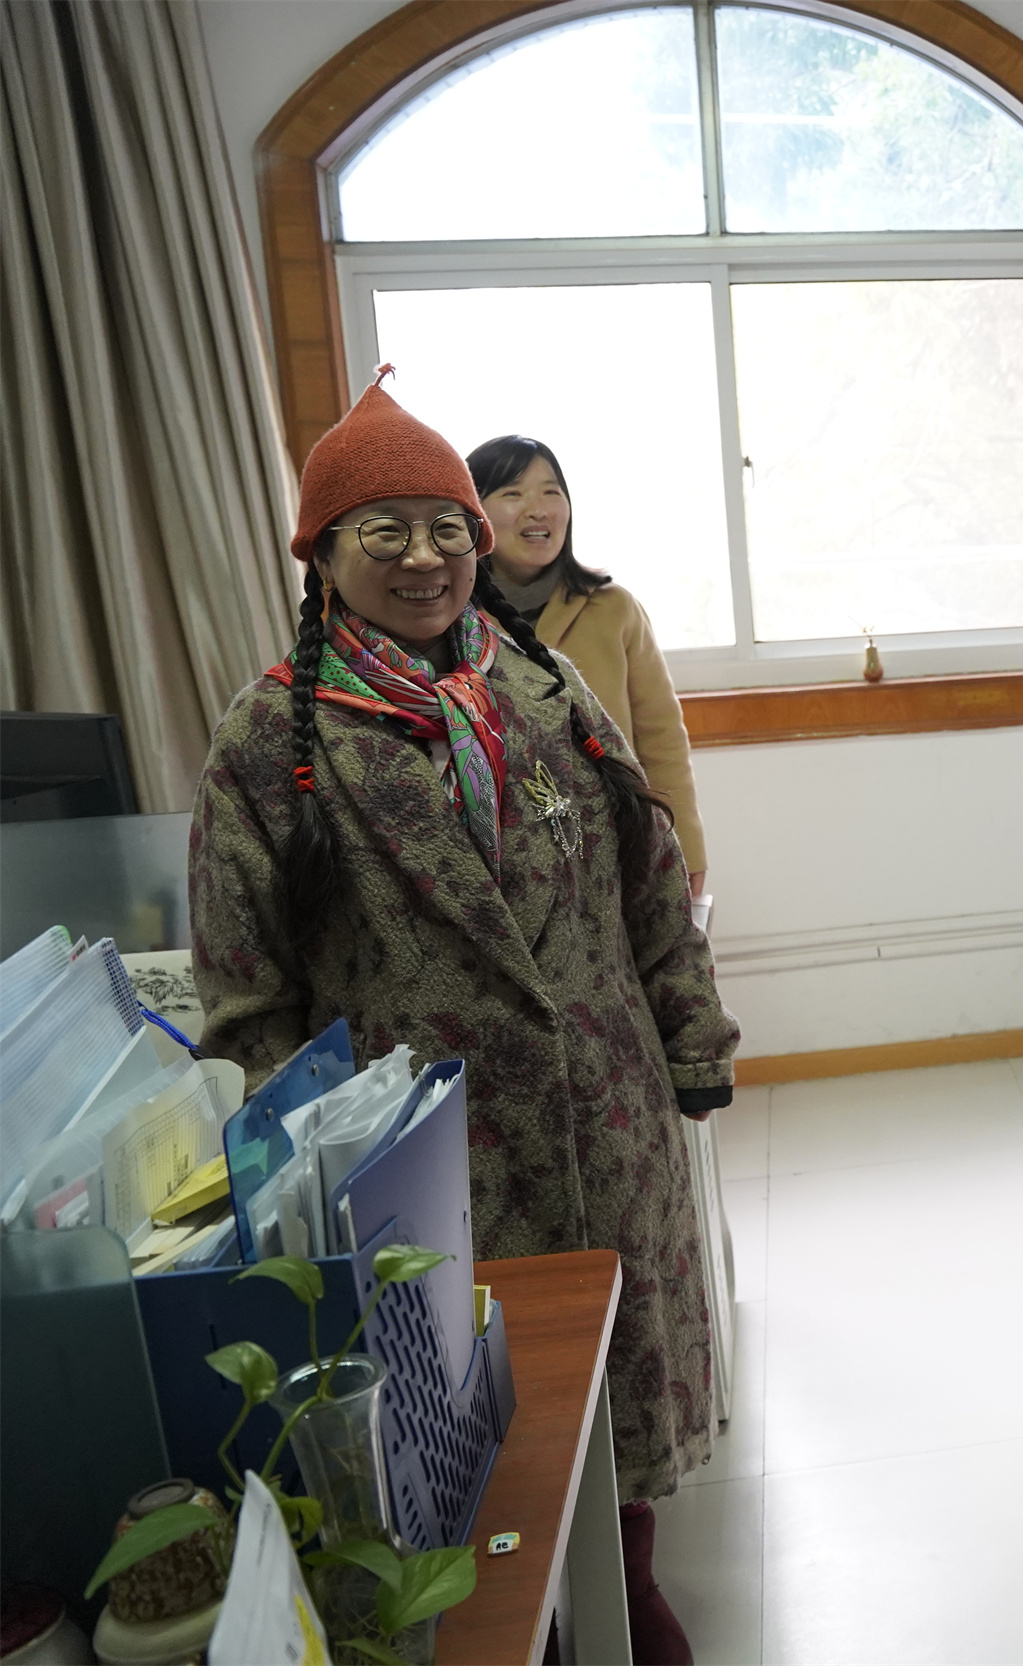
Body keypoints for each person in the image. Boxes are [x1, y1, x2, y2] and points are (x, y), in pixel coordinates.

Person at [189, 372, 737, 1666]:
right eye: (384, 531)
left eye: (446, 527)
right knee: (460, 1407)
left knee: (618, 1367)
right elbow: (244, 991)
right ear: (322, 553)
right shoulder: (272, 740)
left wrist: (692, 1035)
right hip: (423, 1149)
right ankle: (516, 1610)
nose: (425, 556)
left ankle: (627, 1576)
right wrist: (300, 1161)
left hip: (603, 1109)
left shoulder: (544, 689)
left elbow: (649, 879)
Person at [466, 435, 710, 896]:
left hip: (614, 852)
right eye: (513, 493)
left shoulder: (613, 608)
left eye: (551, 491)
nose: (538, 509)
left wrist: (686, 850)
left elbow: (661, 742)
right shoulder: (451, 618)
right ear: (473, 512)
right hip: (502, 865)